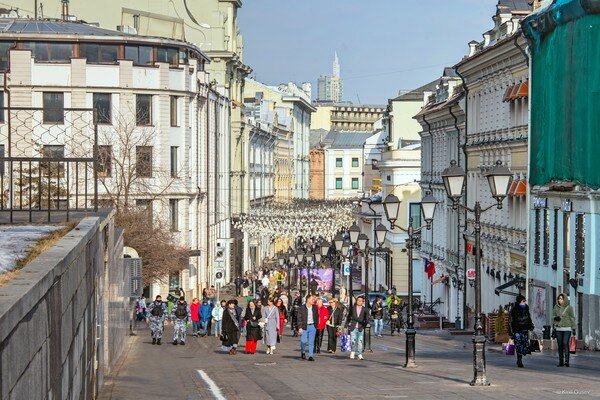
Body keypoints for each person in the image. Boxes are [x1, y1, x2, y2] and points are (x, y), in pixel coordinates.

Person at [508, 294, 535, 368]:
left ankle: (520, 357)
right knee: (518, 345)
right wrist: (511, 332)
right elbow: (510, 321)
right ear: (519, 302)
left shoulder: (526, 308)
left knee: (525, 345)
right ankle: (519, 360)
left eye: (525, 301)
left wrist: (531, 325)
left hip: (525, 329)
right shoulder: (514, 309)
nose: (524, 302)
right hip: (517, 330)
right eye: (523, 301)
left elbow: (529, 318)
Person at [552, 293, 576, 367]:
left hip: (567, 328)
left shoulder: (569, 307)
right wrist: (555, 318)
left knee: (565, 343)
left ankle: (567, 361)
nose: (560, 300)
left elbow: (572, 318)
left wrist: (573, 328)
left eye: (561, 299)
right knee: (560, 345)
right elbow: (552, 316)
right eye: (559, 299)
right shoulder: (556, 307)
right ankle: (560, 362)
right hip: (558, 329)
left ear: (564, 299)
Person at [346, 295, 368, 360]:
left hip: (360, 327)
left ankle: (359, 354)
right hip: (353, 327)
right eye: (358, 300)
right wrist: (346, 326)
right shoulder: (352, 308)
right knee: (353, 341)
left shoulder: (365, 309)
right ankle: (352, 352)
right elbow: (348, 317)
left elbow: (367, 319)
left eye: (360, 301)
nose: (359, 302)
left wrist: (364, 325)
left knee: (360, 341)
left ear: (363, 302)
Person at [297, 295, 319, 361]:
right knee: (303, 341)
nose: (313, 301)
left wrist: (316, 325)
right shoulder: (302, 308)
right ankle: (303, 352)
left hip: (312, 326)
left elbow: (317, 316)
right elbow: (299, 318)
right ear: (308, 299)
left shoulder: (315, 307)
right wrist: (300, 327)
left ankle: (310, 356)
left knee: (311, 342)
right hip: (304, 326)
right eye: (312, 299)